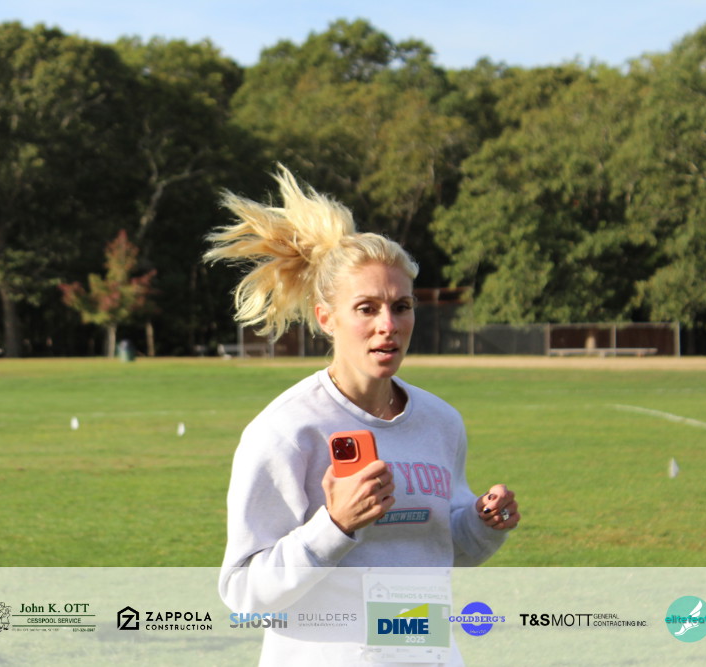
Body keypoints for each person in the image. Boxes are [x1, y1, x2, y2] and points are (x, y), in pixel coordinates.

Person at [206, 167, 520, 664]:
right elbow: (244, 591)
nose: (388, 325)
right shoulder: (287, 431)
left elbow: (444, 549)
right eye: (367, 308)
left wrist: (483, 523)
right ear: (326, 318)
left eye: (401, 306)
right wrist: (335, 525)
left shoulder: (441, 422)